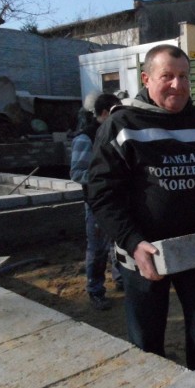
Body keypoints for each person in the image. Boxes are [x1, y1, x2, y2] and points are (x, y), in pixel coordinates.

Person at [87, 44, 195, 370]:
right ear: (146, 79)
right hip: (144, 253)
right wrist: (132, 241)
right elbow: (102, 193)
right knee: (147, 341)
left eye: (184, 76)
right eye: (167, 77)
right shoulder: (122, 126)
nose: (178, 84)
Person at [70, 92, 123, 311]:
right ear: (103, 113)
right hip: (96, 203)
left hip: (118, 199)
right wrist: (102, 177)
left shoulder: (116, 133)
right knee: (98, 249)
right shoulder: (85, 139)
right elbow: (76, 173)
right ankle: (96, 291)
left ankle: (120, 278)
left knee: (119, 244)